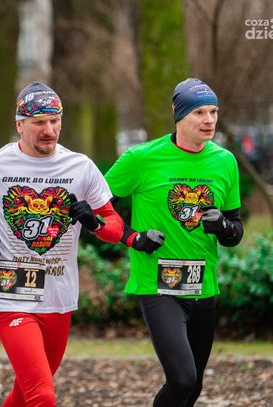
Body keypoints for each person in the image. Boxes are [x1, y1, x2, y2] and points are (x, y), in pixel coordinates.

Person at [0, 82, 127, 406]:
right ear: (20, 125)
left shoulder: (81, 167)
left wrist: (94, 222)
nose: (49, 130)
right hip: (12, 294)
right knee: (42, 396)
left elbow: (115, 228)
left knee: (24, 394)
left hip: (59, 296)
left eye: (55, 121)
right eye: (39, 122)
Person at [105, 78, 244, 407]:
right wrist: (133, 238)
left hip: (202, 287)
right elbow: (97, 206)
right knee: (182, 379)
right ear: (178, 115)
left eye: (213, 112)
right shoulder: (141, 158)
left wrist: (223, 226)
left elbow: (236, 231)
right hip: (158, 286)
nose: (209, 120)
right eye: (199, 112)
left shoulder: (225, 161)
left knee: (192, 388)